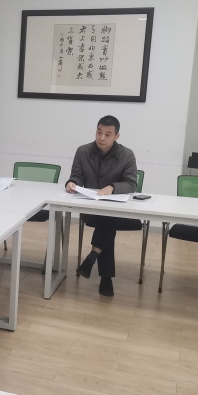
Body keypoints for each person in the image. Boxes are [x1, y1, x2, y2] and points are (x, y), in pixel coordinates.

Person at [66, 115, 137, 297]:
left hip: (117, 211)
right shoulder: (83, 151)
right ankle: (102, 272)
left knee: (109, 218)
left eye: (107, 134)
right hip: (91, 210)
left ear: (116, 136)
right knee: (107, 222)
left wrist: (112, 187)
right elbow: (77, 175)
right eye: (99, 132)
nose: (102, 138)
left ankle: (94, 262)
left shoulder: (127, 155)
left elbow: (131, 184)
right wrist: (72, 183)